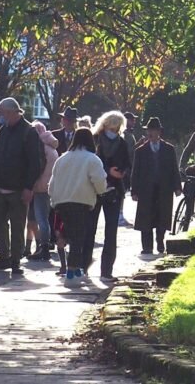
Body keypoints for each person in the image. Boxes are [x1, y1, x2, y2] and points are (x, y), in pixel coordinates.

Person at [0, 97, 44, 275]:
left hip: (19, 189)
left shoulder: (29, 133)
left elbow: (37, 162)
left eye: (2, 113)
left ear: (11, 112)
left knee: (18, 226)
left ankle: (15, 261)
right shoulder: (3, 131)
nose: (0, 117)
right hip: (1, 186)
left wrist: (29, 187)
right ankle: (4, 256)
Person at [48, 128, 108, 284]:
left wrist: (54, 202)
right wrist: (101, 191)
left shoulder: (62, 159)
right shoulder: (92, 159)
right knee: (77, 239)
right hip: (81, 203)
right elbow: (100, 183)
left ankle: (73, 270)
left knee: (68, 235)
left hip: (61, 203)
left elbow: (51, 185)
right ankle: (72, 274)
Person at [85, 111, 130, 281]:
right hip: (95, 189)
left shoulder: (122, 143)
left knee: (111, 232)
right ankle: (84, 265)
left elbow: (127, 163)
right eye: (113, 125)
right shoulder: (95, 140)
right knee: (89, 230)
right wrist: (106, 170)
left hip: (114, 189)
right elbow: (89, 163)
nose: (115, 129)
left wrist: (123, 173)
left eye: (118, 126)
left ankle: (106, 271)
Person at [130, 118, 182, 255]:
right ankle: (147, 246)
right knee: (145, 218)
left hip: (163, 188)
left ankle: (160, 241)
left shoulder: (168, 149)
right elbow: (136, 172)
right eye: (149, 130)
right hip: (146, 189)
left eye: (153, 130)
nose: (150, 133)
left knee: (162, 216)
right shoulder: (140, 151)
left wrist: (177, 186)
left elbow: (174, 169)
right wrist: (134, 190)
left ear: (159, 132)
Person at [27, 121, 59, 261]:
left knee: (41, 219)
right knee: (37, 218)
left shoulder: (40, 147)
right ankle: (37, 246)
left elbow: (36, 167)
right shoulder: (52, 147)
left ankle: (44, 247)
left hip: (39, 187)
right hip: (49, 186)